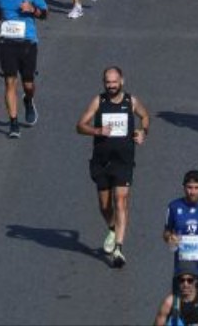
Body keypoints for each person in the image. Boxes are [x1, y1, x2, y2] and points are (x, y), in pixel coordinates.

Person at [76, 66, 152, 267]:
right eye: (107, 82)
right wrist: (97, 130)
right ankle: (112, 228)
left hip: (123, 161)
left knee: (121, 200)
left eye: (114, 82)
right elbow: (80, 125)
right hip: (101, 161)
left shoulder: (131, 101)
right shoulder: (98, 101)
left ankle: (118, 248)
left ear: (122, 81)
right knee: (104, 205)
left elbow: (145, 116)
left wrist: (143, 131)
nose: (111, 86)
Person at [0, 0, 49, 138]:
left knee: (28, 84)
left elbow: (45, 14)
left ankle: (28, 100)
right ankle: (13, 123)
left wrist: (32, 10)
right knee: (9, 82)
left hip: (28, 42)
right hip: (7, 42)